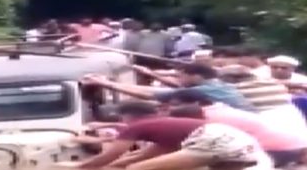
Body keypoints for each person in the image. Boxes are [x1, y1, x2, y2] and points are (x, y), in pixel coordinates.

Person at [78, 101, 264, 170]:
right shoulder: (165, 126)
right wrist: (110, 169)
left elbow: (111, 156)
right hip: (242, 142)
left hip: (214, 139)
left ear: (127, 116)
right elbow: (141, 156)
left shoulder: (136, 126)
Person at [164, 89, 305, 167]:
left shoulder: (207, 118)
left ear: (197, 103)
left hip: (275, 150)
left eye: (174, 105)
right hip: (295, 146)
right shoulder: (220, 108)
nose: (170, 109)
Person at [84, 63, 256, 111]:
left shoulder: (201, 90)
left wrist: (105, 83)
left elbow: (149, 95)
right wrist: (110, 84)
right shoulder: (220, 85)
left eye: (182, 76)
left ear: (196, 77)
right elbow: (159, 91)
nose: (178, 79)